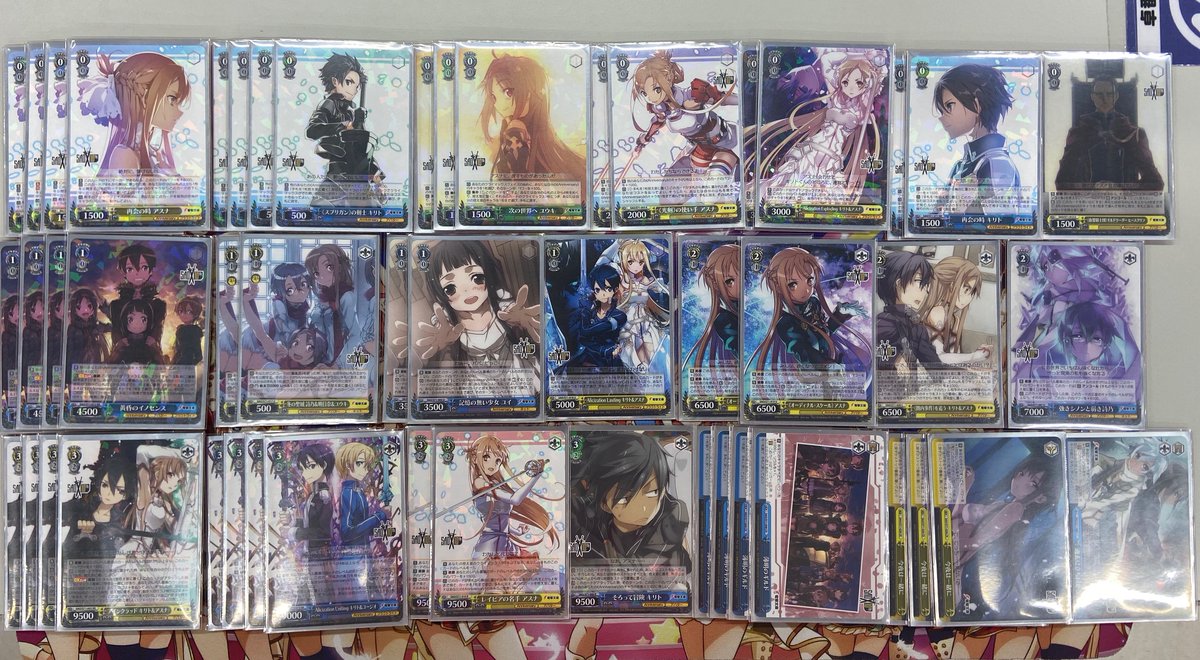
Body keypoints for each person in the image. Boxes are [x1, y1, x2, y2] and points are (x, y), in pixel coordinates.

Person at [77, 52, 191, 176]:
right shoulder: (124, 156)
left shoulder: (151, 152)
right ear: (145, 96)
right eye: (172, 99)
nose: (179, 112)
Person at [477, 54, 586, 183]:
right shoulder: (515, 127)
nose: (498, 105)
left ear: (532, 90)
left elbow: (516, 178)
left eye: (508, 92)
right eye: (493, 97)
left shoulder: (516, 129)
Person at [934, 63, 1019, 214]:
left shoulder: (996, 163)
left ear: (977, 104)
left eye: (949, 106)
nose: (942, 117)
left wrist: (960, 207)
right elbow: (936, 214)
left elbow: (998, 221)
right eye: (942, 110)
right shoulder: (961, 165)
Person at [1055, 77, 1163, 190]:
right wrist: (1091, 191)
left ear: (1116, 96)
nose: (1105, 99)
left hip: (1125, 200)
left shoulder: (1134, 134)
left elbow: (1155, 183)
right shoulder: (1078, 134)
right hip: (1088, 200)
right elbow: (1062, 182)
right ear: (1092, 97)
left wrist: (1122, 191)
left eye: (1109, 94)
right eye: (1099, 94)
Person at [306, 53, 385, 207]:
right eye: (349, 82)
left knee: (372, 210)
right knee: (321, 209)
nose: (354, 90)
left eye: (357, 86)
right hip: (337, 176)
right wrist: (343, 125)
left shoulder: (350, 111)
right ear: (335, 81)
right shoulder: (329, 104)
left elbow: (361, 150)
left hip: (356, 176)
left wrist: (377, 177)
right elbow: (312, 130)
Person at [554, 263, 628, 375]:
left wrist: (586, 313)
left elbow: (587, 331)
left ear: (615, 289)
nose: (603, 294)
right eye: (598, 290)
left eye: (607, 289)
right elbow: (582, 338)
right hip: (590, 356)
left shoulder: (619, 316)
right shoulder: (588, 312)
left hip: (608, 361)